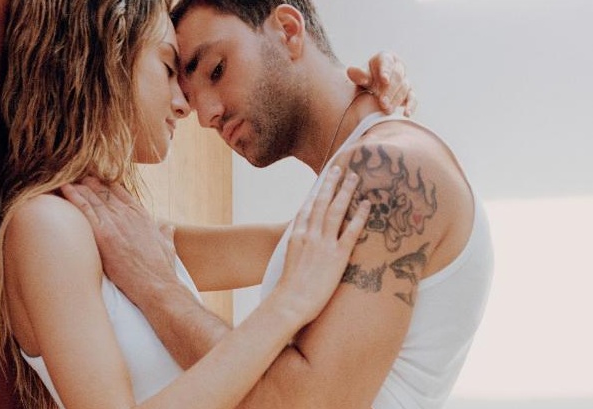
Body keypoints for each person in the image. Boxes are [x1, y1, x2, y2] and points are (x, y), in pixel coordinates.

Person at [63, 1, 495, 408]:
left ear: (288, 30)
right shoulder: (357, 184)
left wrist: (159, 291)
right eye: (193, 100)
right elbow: (147, 248)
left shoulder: (388, 169)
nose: (207, 114)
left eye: (216, 70)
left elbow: (302, 403)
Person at [0, 0, 413, 408]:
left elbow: (326, 240)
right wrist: (285, 307)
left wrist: (370, 114)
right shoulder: (46, 226)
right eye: (168, 68)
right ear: (106, 55)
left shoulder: (125, 234)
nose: (185, 106)